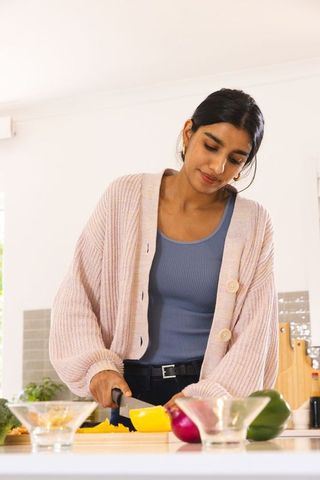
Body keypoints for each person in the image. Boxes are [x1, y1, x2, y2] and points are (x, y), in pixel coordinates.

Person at [49, 88, 278, 427]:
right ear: (189, 133)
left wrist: (209, 396)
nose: (218, 166)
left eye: (235, 159)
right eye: (211, 146)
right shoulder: (123, 197)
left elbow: (257, 332)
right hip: (127, 390)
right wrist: (98, 367)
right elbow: (77, 294)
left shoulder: (255, 223)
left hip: (205, 394)